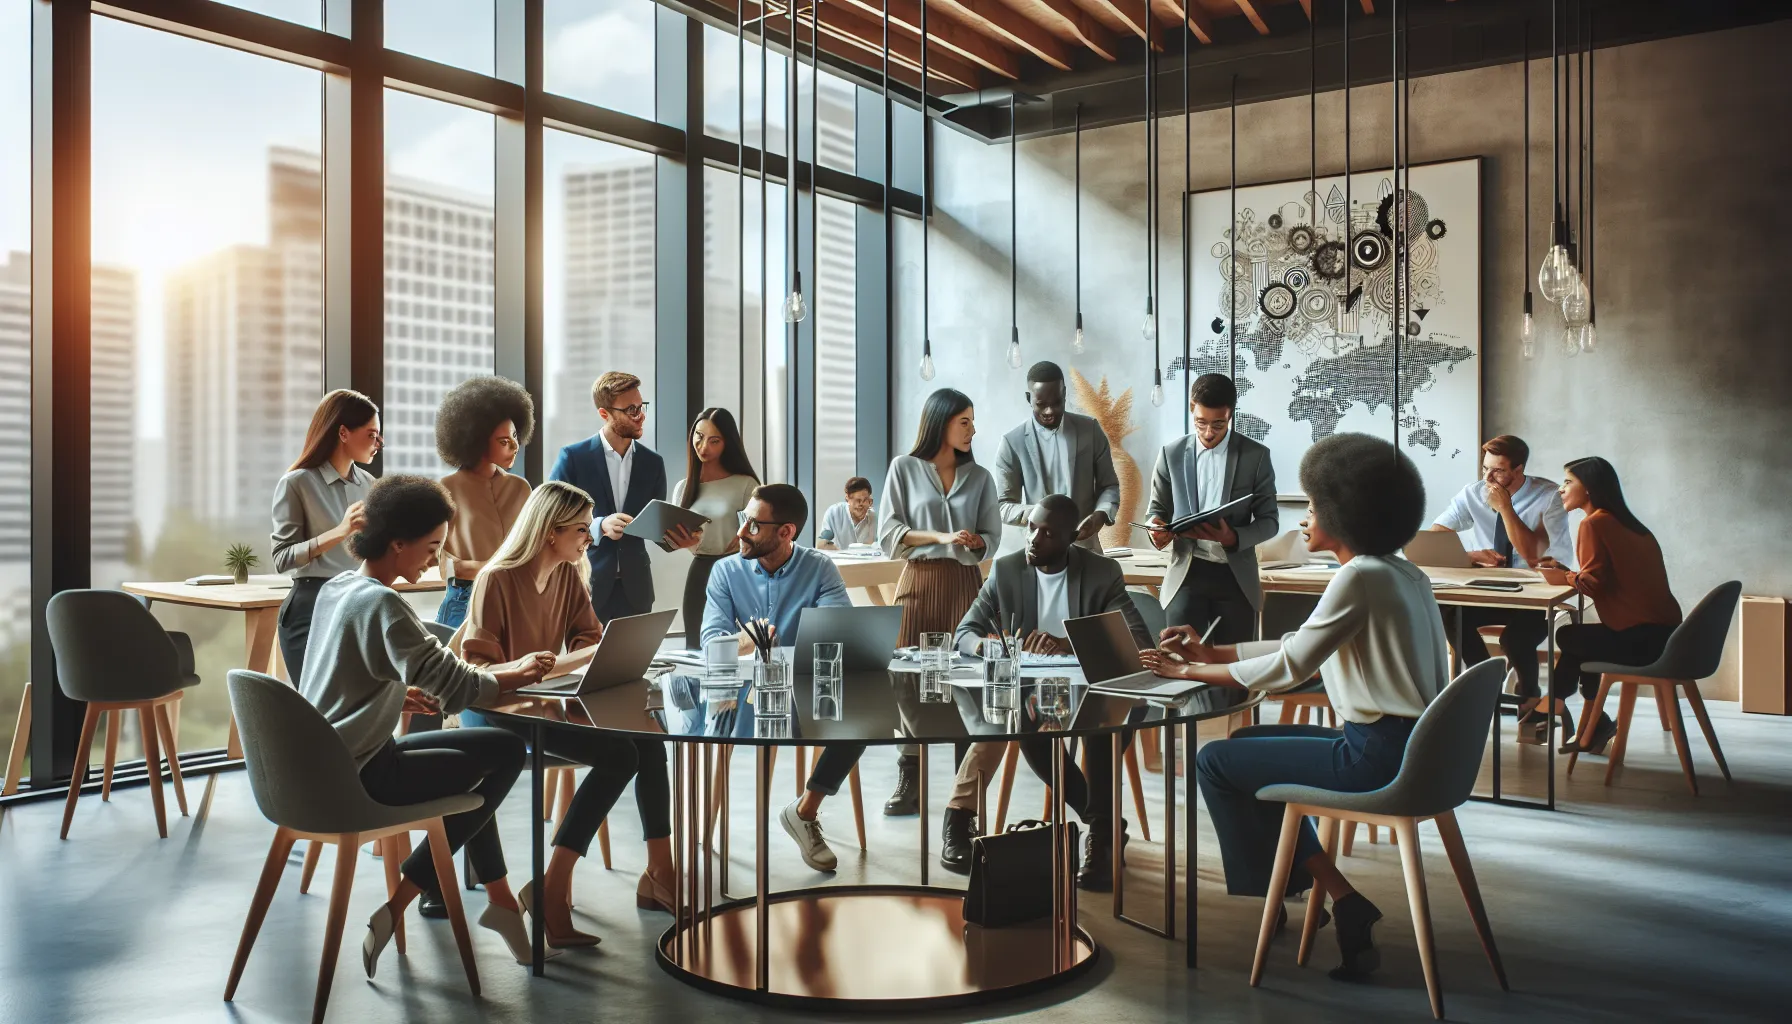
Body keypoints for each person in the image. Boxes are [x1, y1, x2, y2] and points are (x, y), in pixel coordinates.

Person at [1139, 433, 1447, 982]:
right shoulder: (1401, 572)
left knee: (1215, 762)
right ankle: (1336, 898)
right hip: (1409, 748)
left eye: (1312, 506)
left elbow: (1291, 666)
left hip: (1376, 757)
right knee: (1245, 745)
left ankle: (1286, 892)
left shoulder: (1359, 577)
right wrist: (1213, 653)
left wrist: (1187, 672)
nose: (1304, 518)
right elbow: (1298, 644)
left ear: (1345, 514)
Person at [296, 474, 557, 975]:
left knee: (479, 762)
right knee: (504, 752)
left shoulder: (339, 587)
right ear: (398, 543)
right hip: (360, 775)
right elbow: (456, 686)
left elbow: (338, 674)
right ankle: (404, 901)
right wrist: (518, 673)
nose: (435, 561)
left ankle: (498, 901)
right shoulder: (383, 603)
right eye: (432, 548)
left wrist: (395, 695)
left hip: (332, 760)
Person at [458, 481, 678, 946]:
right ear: (549, 531)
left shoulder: (568, 575)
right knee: (620, 756)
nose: (588, 537)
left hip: (547, 701)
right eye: (581, 528)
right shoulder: (496, 579)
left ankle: (660, 870)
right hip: (501, 710)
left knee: (648, 736)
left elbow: (589, 639)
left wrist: (590, 659)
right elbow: (477, 669)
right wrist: (545, 666)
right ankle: (553, 888)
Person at [948, 494, 1153, 887]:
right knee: (1029, 729)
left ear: (1071, 538)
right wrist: (997, 647)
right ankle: (1104, 829)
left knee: (1101, 732)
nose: (1034, 539)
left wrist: (1068, 643)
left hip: (1099, 690)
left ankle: (1102, 843)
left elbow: (1137, 641)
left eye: (1047, 533)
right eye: (1031, 528)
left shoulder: (1101, 572)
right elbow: (965, 633)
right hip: (1040, 696)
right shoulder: (1007, 570)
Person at [698, 484, 860, 873]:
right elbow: (711, 642)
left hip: (803, 691)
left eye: (753, 525)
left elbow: (838, 631)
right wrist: (745, 640)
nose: (741, 532)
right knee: (710, 718)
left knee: (863, 716)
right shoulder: (725, 571)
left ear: (786, 532)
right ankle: (704, 833)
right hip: (740, 693)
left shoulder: (820, 567)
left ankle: (805, 810)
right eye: (744, 520)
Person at [876, 388, 1002, 816]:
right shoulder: (903, 468)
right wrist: (941, 537)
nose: (972, 430)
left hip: (965, 585)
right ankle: (909, 776)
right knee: (909, 681)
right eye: (964, 421)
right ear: (940, 423)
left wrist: (976, 542)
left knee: (966, 680)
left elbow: (992, 537)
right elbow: (889, 533)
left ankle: (963, 795)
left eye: (972, 421)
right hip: (919, 580)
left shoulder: (980, 477)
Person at [1536, 457, 1682, 755]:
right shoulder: (1628, 523)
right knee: (1581, 641)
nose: (1561, 489)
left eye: (1568, 482)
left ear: (1588, 488)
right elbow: (1604, 577)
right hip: (1667, 636)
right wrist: (1569, 573)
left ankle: (1554, 708)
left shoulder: (1594, 523)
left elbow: (1593, 584)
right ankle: (1576, 716)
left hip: (1642, 642)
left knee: (1569, 637)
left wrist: (1563, 576)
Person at [1425, 434, 1575, 722]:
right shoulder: (1473, 493)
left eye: (1498, 470)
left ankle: (1529, 697)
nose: (1488, 478)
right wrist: (1471, 555)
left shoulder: (1549, 497)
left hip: (1535, 593)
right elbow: (1436, 537)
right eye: (1485, 468)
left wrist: (1506, 507)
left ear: (1519, 470)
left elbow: (1535, 556)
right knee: (1449, 612)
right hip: (1491, 589)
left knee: (1515, 640)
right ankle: (1488, 683)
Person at [547, 370, 703, 621]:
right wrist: (599, 526)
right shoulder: (573, 458)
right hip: (585, 586)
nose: (640, 415)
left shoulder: (653, 463)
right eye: (631, 410)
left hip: (637, 591)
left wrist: (679, 540)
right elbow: (550, 520)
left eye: (641, 407)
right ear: (604, 414)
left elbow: (656, 529)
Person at [1145, 372, 1279, 646]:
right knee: (1180, 658)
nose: (1208, 433)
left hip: (1235, 577)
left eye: (1219, 424)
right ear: (1191, 408)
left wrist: (1234, 538)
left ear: (1231, 414)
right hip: (1187, 572)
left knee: (1236, 664)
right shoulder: (1171, 454)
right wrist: (1155, 528)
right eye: (1201, 423)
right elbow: (1156, 510)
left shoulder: (1256, 456)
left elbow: (1269, 521)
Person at [271, 389, 382, 685]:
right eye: (371, 435)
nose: (378, 444)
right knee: (318, 703)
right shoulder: (297, 483)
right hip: (311, 608)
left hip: (358, 605)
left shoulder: (370, 485)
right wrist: (340, 531)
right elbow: (281, 558)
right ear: (343, 433)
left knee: (360, 701)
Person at [433, 375, 535, 630]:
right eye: (504, 441)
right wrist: (504, 569)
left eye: (515, 436)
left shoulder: (521, 488)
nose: (515, 446)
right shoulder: (446, 489)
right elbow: (446, 567)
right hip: (464, 600)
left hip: (514, 600)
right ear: (477, 440)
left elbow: (531, 549)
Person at [993, 361, 1122, 551]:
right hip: (1038, 552)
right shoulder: (1012, 443)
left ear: (1064, 393)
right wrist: (1038, 515)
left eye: (1056, 403)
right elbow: (1003, 506)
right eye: (1041, 404)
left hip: (1086, 551)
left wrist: (1101, 514)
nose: (1050, 411)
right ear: (1029, 398)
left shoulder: (1091, 430)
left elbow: (1109, 485)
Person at [672, 408, 759, 647]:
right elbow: (680, 535)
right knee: (696, 644)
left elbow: (760, 531)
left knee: (737, 646)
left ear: (727, 443)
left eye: (714, 441)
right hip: (700, 570)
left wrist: (745, 541)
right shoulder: (683, 487)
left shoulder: (745, 485)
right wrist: (686, 543)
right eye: (699, 437)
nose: (703, 447)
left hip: (737, 570)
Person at [816, 477, 877, 549]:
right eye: (858, 500)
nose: (861, 505)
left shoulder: (873, 516)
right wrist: (840, 552)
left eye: (865, 500)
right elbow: (821, 544)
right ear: (847, 498)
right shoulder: (834, 512)